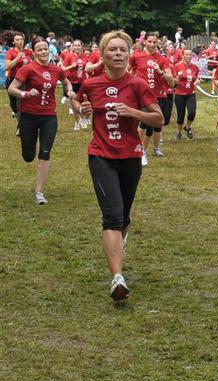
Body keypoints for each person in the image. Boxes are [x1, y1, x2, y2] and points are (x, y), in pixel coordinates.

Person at [72, 30, 164, 302]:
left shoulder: (137, 85)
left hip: (130, 157)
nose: (118, 54)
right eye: (112, 49)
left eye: (123, 49)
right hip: (101, 156)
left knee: (123, 217)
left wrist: (132, 112)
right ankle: (117, 279)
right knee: (112, 215)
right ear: (102, 54)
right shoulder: (92, 84)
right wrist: (82, 109)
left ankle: (117, 245)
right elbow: (77, 99)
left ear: (128, 54)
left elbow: (158, 119)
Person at [8, 39, 72, 204]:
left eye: (45, 49)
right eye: (40, 50)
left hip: (49, 117)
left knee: (45, 153)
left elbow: (66, 82)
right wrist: (25, 94)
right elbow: (11, 88)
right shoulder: (28, 69)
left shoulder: (56, 69)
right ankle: (28, 151)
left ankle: (39, 193)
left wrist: (69, 91)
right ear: (34, 52)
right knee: (28, 156)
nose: (43, 52)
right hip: (28, 116)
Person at [130, 32, 173, 166]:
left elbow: (171, 82)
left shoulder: (162, 59)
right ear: (145, 42)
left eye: (154, 42)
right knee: (144, 124)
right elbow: (128, 70)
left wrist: (161, 72)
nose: (152, 44)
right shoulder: (136, 56)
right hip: (142, 96)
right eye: (149, 41)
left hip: (159, 96)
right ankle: (141, 152)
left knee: (155, 126)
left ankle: (151, 148)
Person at [173, 48, 199, 139]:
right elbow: (173, 80)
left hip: (191, 93)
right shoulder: (177, 66)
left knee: (192, 113)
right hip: (179, 94)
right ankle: (179, 131)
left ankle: (188, 127)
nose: (188, 56)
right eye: (186, 54)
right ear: (183, 55)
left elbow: (197, 78)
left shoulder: (195, 67)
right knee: (181, 116)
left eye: (190, 54)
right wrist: (177, 78)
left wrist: (197, 81)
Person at [5, 32, 30, 126]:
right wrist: (17, 58)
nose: (20, 41)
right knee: (14, 104)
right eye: (17, 40)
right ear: (13, 42)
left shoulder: (28, 52)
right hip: (12, 80)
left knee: (22, 103)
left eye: (21, 39)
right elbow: (7, 67)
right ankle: (18, 117)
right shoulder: (10, 52)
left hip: (24, 81)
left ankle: (21, 125)